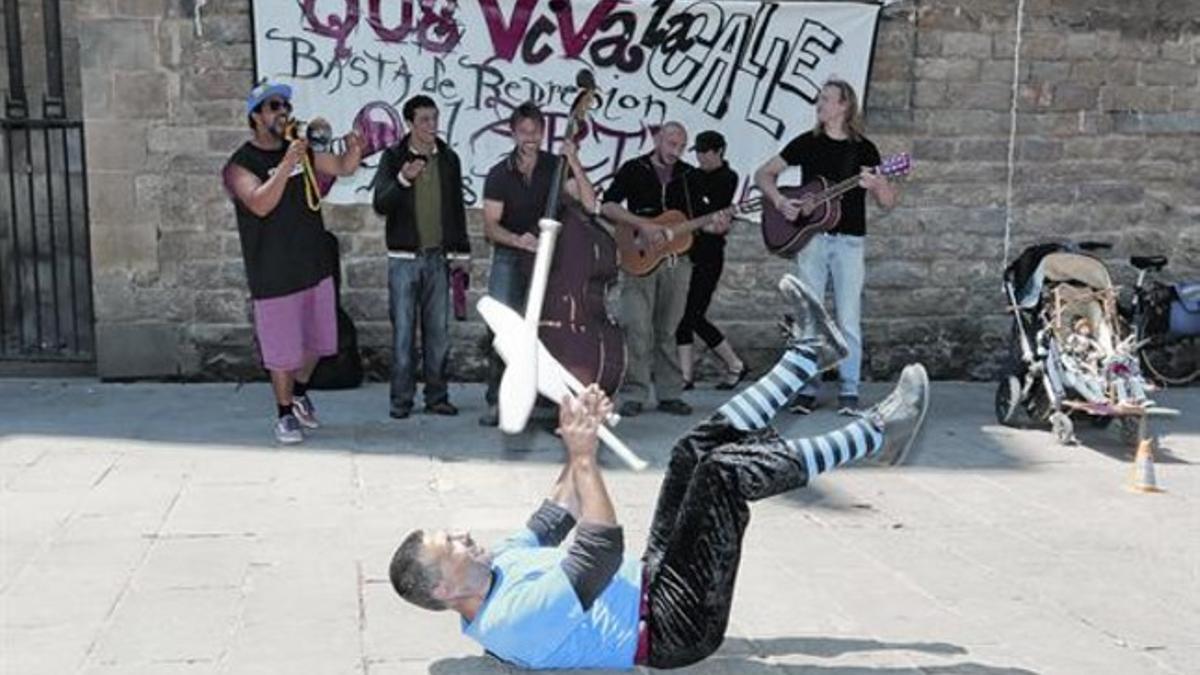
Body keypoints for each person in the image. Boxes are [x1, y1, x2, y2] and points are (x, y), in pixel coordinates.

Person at [388, 274, 930, 670]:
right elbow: (597, 550)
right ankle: (881, 432)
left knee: (693, 450)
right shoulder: (511, 619)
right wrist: (583, 456)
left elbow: (558, 515)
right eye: (450, 544)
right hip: (674, 627)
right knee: (722, 476)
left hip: (655, 577)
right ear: (443, 588)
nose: (463, 535)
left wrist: (578, 432)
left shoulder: (496, 564)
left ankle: (809, 354)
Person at [222, 80, 364, 444]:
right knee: (283, 349)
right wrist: (286, 164)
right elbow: (259, 203)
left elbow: (343, 167)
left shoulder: (298, 149)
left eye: (283, 105)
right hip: (274, 269)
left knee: (318, 343)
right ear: (255, 117)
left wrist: (355, 150)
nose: (281, 111)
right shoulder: (240, 165)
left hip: (312, 261)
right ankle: (284, 414)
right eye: (272, 106)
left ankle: (299, 393)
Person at [754, 79, 899, 416]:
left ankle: (849, 390)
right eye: (820, 99)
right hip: (812, 240)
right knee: (809, 318)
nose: (819, 104)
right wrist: (780, 201)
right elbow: (763, 174)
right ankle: (806, 389)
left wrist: (878, 184)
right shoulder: (807, 143)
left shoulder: (864, 149)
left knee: (849, 317)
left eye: (826, 99)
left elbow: (889, 201)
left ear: (844, 105)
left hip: (850, 242)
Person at [478, 102, 598, 427]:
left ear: (544, 133)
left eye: (536, 132)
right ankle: (498, 400)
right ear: (514, 133)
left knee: (547, 328)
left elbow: (589, 204)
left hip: (550, 259)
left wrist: (573, 159)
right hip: (510, 255)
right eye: (524, 132)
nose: (530, 138)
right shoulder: (499, 174)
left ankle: (547, 400)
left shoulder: (555, 167)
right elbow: (490, 226)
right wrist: (519, 240)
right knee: (503, 330)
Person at [603, 122, 731, 418]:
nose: (676, 151)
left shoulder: (690, 176)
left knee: (668, 330)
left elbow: (701, 219)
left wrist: (716, 225)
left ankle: (670, 393)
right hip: (638, 257)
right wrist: (642, 225)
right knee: (637, 327)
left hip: (677, 262)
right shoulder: (634, 169)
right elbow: (608, 206)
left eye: (681, 147)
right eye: (671, 144)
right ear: (658, 139)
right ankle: (634, 392)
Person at [372, 95, 471, 420]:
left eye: (434, 118)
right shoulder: (393, 157)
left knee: (438, 334)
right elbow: (381, 204)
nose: (431, 126)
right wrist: (403, 179)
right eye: (424, 120)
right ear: (410, 124)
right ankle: (401, 401)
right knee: (403, 334)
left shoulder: (449, 159)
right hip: (403, 259)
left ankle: (437, 396)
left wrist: (461, 253)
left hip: (438, 259)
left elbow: (456, 209)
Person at [675, 130, 748, 391]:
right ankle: (685, 376)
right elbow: (684, 209)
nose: (701, 157)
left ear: (719, 152)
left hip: (710, 253)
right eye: (698, 152)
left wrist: (706, 221)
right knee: (680, 316)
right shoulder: (689, 177)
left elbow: (715, 212)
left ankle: (735, 364)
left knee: (694, 315)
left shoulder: (728, 177)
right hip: (685, 250)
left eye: (706, 152)